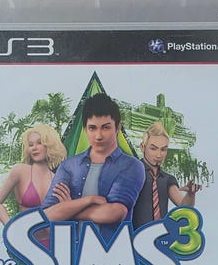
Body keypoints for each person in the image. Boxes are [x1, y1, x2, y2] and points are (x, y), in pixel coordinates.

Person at [41, 93, 145, 242]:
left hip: (112, 252)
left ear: (117, 128)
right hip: (72, 252)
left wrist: (68, 208)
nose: (98, 136)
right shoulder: (69, 166)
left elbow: (115, 212)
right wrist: (88, 200)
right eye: (92, 128)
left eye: (105, 128)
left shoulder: (131, 166)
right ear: (85, 129)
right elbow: (47, 216)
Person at [132, 121, 202, 230]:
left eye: (163, 149)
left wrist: (191, 194)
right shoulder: (132, 173)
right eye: (153, 148)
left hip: (161, 235)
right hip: (135, 234)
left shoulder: (167, 179)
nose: (159, 155)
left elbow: (183, 206)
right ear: (142, 147)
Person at [0, 124, 67, 225]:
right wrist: (10, 228)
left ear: (49, 145)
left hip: (51, 233)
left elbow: (64, 213)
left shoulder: (56, 179)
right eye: (31, 145)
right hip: (24, 233)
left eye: (39, 143)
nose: (34, 148)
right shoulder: (20, 171)